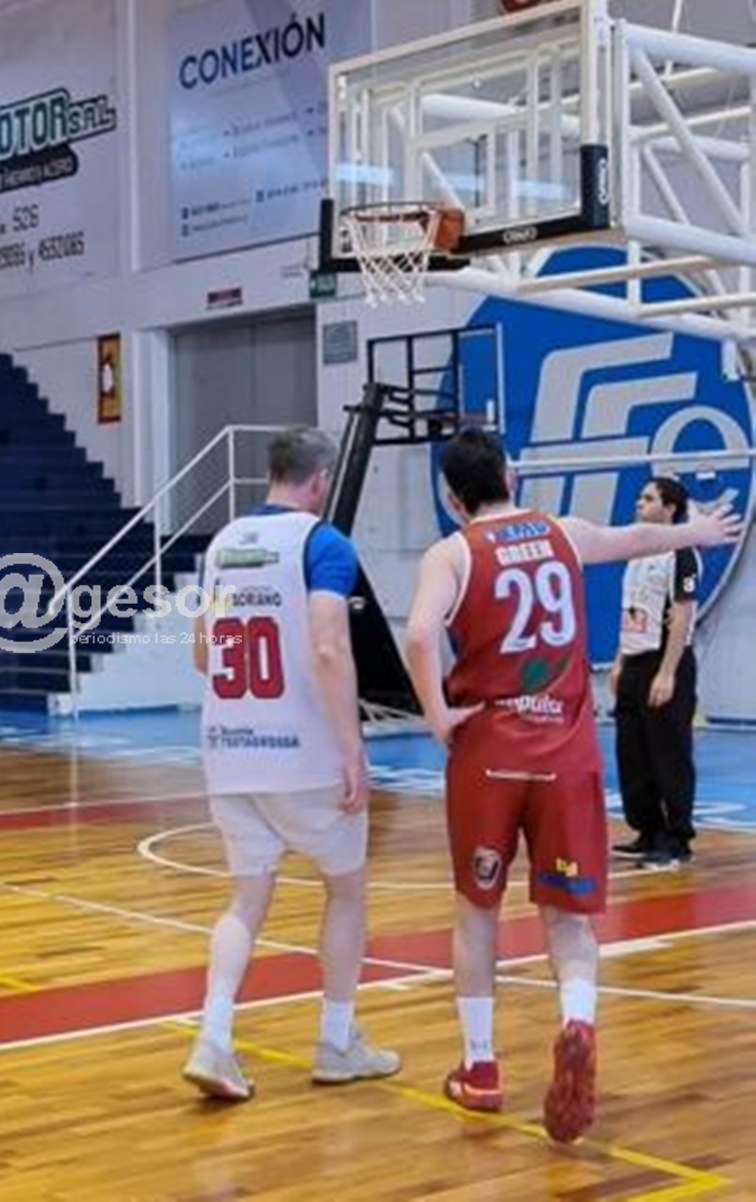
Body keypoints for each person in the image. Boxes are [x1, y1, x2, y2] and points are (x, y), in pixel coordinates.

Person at [403, 428, 738, 1143]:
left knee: (477, 913)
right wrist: (700, 531)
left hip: (488, 751)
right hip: (564, 751)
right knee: (569, 919)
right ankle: (577, 1020)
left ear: (452, 497)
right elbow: (634, 540)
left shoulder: (452, 553)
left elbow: (421, 635)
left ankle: (481, 1066)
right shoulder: (562, 532)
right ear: (512, 477)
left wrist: (436, 714)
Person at [182, 428, 401, 1102]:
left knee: (246, 901)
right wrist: (353, 747)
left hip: (229, 748)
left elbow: (202, 652)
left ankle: (213, 1038)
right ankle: (336, 1042)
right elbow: (330, 648)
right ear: (322, 479)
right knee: (347, 891)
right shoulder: (323, 544)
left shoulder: (223, 543)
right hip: (303, 753)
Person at [610, 477, 700, 866]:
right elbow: (632, 610)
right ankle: (647, 830)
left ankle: (677, 838)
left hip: (665, 661)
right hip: (634, 661)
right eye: (639, 497)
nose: (639, 504)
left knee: (669, 752)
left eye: (648, 499)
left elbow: (682, 614)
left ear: (670, 508)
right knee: (632, 753)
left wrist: (667, 673)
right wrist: (620, 661)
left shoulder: (681, 553)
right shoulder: (637, 553)